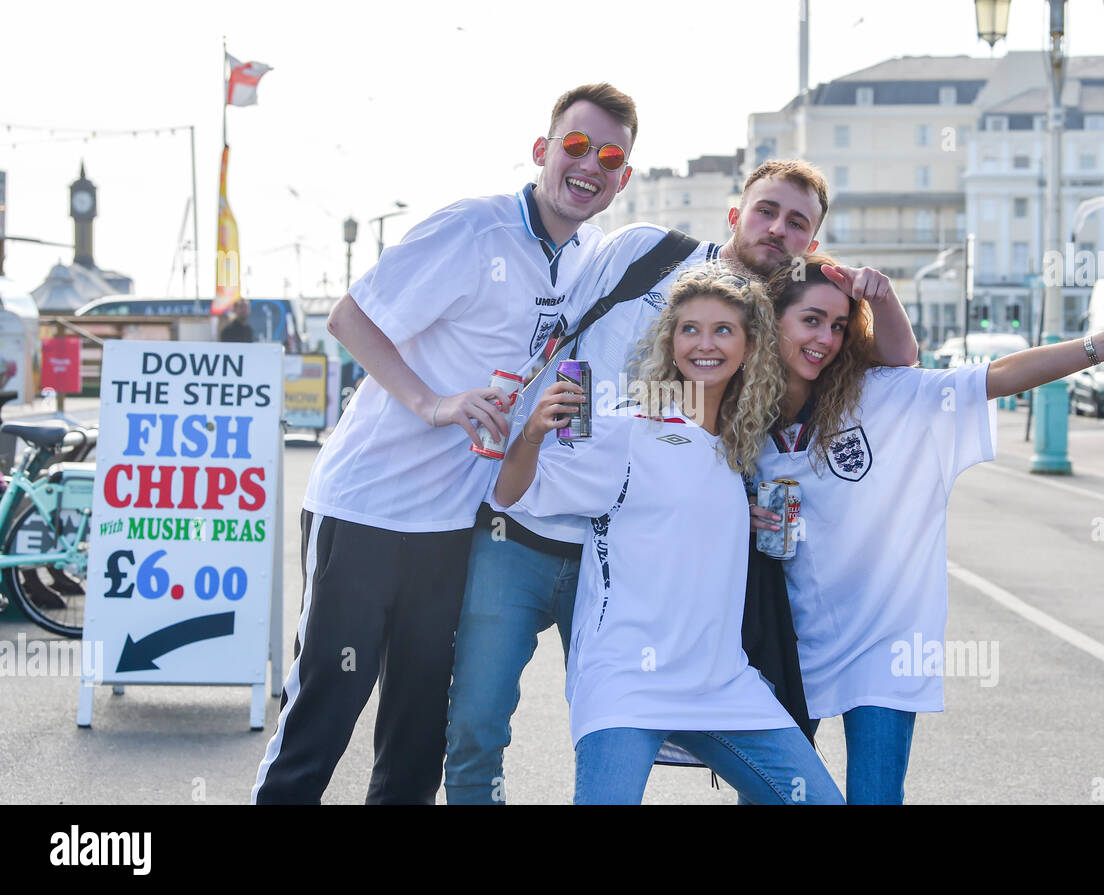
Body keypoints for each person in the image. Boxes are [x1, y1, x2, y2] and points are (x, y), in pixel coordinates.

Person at [443, 160, 918, 803]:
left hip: (624, 555)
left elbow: (893, 370)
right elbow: (560, 331)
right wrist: (537, 427)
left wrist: (736, 508)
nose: (777, 229)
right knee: (477, 724)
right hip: (534, 528)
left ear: (810, 242)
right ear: (735, 212)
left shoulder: (778, 327)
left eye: (797, 223)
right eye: (766, 211)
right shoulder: (647, 251)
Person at [250, 83, 637, 804]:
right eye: (577, 146)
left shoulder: (588, 257)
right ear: (542, 151)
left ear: (624, 177)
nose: (590, 166)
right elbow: (349, 317)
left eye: (609, 157)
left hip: (454, 530)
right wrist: (432, 402)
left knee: (415, 745)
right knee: (320, 724)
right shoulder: (474, 228)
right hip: (367, 512)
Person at [751, 254, 1104, 805]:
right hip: (788, 642)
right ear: (772, 320)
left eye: (838, 325)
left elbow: (999, 376)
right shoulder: (742, 418)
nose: (825, 338)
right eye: (811, 320)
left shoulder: (883, 395)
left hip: (883, 649)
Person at [493, 266, 844, 804]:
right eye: (690, 329)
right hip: (627, 681)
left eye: (723, 330)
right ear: (671, 343)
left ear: (750, 347)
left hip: (721, 682)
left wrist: (742, 518)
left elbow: (683, 512)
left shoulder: (737, 450)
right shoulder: (626, 430)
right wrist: (533, 436)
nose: (705, 344)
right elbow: (513, 494)